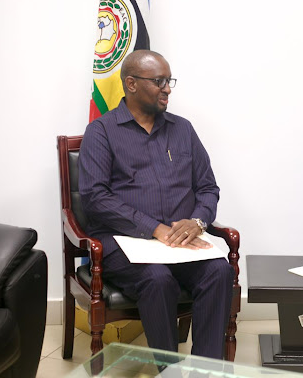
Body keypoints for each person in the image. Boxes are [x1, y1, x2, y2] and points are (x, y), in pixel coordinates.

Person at [78, 49, 234, 359]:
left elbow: (207, 187)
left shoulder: (183, 129)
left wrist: (198, 222)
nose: (167, 89)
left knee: (220, 271)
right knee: (157, 279)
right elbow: (95, 197)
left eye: (169, 81)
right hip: (124, 242)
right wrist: (154, 228)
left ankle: (206, 370)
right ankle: (169, 369)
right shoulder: (101, 132)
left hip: (180, 243)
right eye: (159, 81)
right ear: (131, 84)